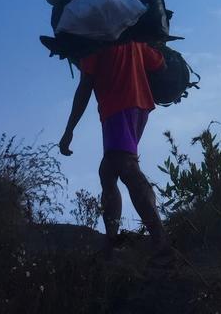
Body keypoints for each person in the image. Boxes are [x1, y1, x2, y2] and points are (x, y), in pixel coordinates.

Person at [58, 41, 172, 262]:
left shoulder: (93, 40)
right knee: (108, 172)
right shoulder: (131, 37)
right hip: (139, 108)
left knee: (128, 168)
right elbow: (160, 64)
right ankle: (112, 241)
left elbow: (85, 86)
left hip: (117, 108)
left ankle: (161, 243)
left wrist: (69, 129)